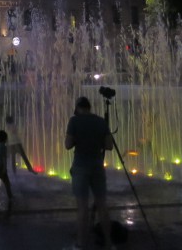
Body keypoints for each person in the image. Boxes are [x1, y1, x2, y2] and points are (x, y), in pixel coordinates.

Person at [65, 96, 113, 250]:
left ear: (78, 108)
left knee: (82, 207)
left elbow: (67, 145)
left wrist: (79, 140)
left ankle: (80, 244)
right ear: (89, 107)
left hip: (80, 167)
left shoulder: (74, 121)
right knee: (102, 205)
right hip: (97, 166)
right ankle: (108, 243)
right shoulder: (101, 121)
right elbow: (109, 146)